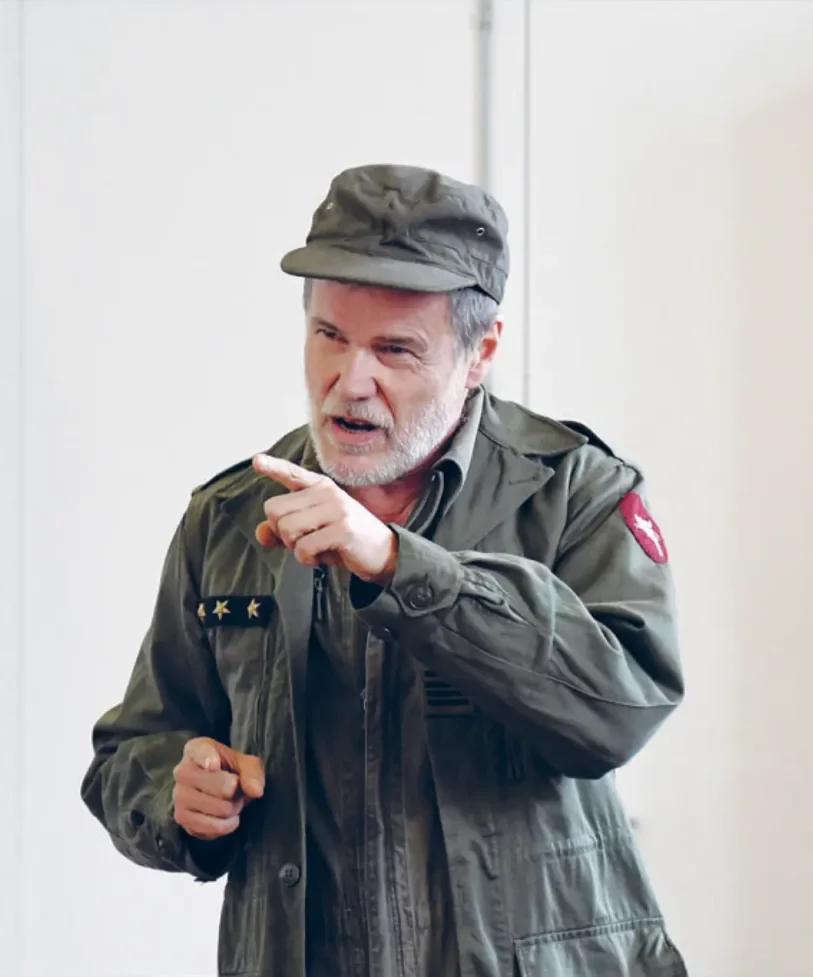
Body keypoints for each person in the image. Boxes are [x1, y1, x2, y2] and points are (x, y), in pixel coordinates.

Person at [81, 163, 687, 977]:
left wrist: (401, 565)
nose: (349, 380)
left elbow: (621, 705)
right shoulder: (228, 517)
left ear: (481, 353)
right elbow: (131, 751)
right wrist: (175, 794)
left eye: (395, 349)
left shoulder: (573, 490)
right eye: (329, 335)